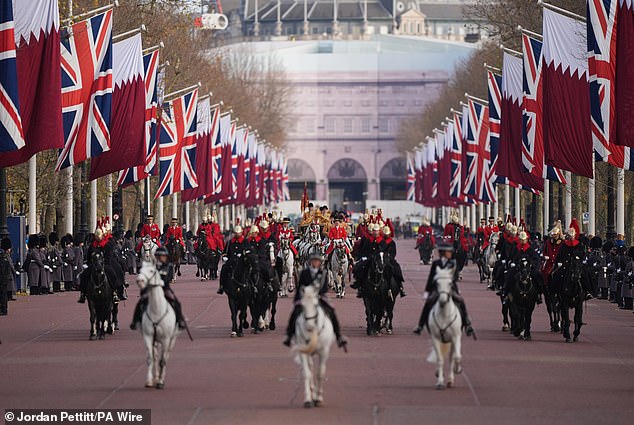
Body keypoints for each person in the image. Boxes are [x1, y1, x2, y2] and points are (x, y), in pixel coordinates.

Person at [283, 253, 347, 350]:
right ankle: (289, 335)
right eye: (314, 261)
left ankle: (339, 336)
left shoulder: (323, 273)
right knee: (295, 313)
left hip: (319, 297)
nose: (315, 263)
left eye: (317, 261)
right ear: (311, 262)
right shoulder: (304, 273)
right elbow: (300, 287)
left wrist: (318, 294)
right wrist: (297, 300)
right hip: (306, 297)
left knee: (331, 312)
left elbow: (324, 288)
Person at [413, 242, 476, 339]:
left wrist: (448, 279)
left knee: (461, 302)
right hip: (437, 288)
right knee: (428, 304)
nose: (450, 253)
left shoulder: (453, 263)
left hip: (450, 288)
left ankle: (467, 324)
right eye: (448, 252)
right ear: (443, 252)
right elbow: (431, 277)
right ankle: (420, 325)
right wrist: (427, 291)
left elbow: (455, 276)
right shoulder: (436, 263)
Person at [130, 247, 186, 330]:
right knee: (141, 301)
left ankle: (179, 320)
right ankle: (135, 321)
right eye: (158, 256)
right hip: (152, 288)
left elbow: (169, 277)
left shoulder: (169, 266)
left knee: (175, 302)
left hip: (164, 288)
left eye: (162, 256)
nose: (160, 258)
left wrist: (161, 281)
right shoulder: (151, 266)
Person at [218, 225, 247, 294]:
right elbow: (225, 252)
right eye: (236, 233)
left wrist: (243, 255)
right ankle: (222, 286)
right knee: (224, 269)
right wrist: (225, 257)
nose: (237, 234)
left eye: (238, 233)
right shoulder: (230, 242)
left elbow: (248, 251)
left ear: (241, 233)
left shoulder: (245, 242)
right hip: (232, 261)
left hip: (242, 261)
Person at [379, 226, 407, 297]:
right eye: (385, 234)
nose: (386, 235)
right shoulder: (381, 242)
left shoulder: (392, 242)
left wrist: (389, 258)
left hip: (390, 260)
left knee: (397, 268)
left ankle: (400, 286)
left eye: (387, 234)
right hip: (381, 259)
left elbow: (394, 253)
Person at [0, 237, 17, 315]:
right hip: (6, 276)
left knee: (3, 294)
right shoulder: (6, 256)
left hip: (3, 277)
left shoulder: (4, 256)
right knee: (4, 293)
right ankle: (4, 308)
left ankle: (3, 309)